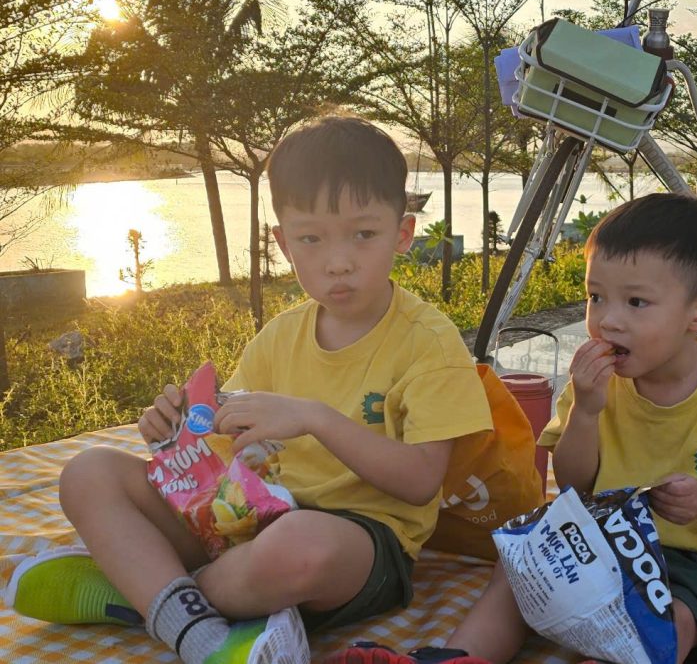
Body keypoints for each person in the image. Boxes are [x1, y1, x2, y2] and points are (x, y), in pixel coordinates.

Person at [7, 116, 493, 664]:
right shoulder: (280, 336)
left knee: (299, 544)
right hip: (243, 521)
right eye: (310, 239)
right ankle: (192, 620)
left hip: (356, 544)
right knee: (88, 471)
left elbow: (422, 482)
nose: (338, 262)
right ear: (283, 243)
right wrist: (177, 429)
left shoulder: (428, 343)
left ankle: (144, 592)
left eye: (364, 234)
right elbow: (224, 437)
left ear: (402, 234)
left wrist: (315, 418)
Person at [337, 193, 697, 664]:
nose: (607, 321)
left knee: (675, 617)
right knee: (518, 572)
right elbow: (573, 483)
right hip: (600, 542)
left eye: (636, 302)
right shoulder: (595, 386)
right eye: (595, 297)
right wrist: (585, 411)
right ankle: (459, 656)